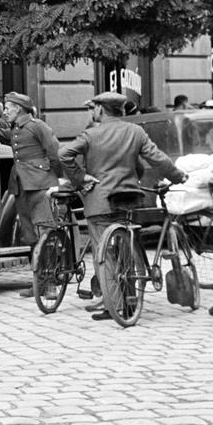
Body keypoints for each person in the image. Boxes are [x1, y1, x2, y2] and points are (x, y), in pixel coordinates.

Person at [58, 92, 188, 320]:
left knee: (105, 253)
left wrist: (81, 178)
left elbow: (64, 153)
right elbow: (156, 158)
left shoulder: (91, 134)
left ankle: (113, 305)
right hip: (127, 198)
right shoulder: (135, 131)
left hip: (98, 200)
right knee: (126, 246)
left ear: (101, 110)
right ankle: (131, 298)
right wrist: (177, 176)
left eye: (95, 107)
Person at [0, 92, 62, 295]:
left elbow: (54, 153)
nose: (5, 111)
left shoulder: (37, 126)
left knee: (45, 232)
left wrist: (57, 180)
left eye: (8, 108)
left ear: (19, 109)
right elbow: (3, 134)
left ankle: (49, 283)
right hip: (21, 187)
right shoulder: (16, 129)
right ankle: (38, 282)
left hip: (40, 186)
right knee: (30, 235)